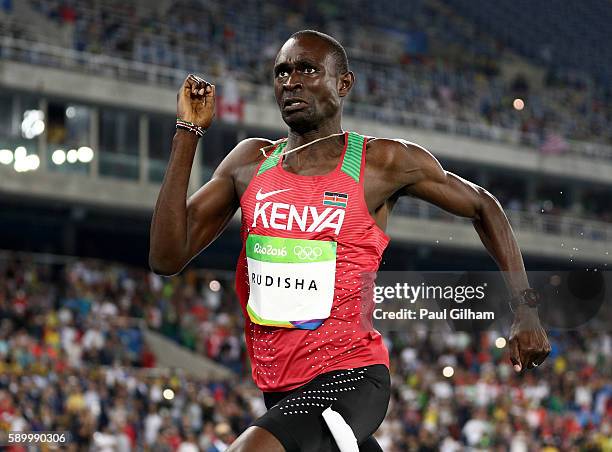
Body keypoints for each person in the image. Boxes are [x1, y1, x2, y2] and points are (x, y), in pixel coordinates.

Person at [149, 30, 551, 452]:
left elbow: (484, 206)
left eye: (307, 69)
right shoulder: (251, 164)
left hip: (351, 377)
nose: (291, 81)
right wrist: (187, 133)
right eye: (282, 72)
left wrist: (525, 308)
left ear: (344, 85)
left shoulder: (382, 162)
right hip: (281, 388)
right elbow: (165, 255)